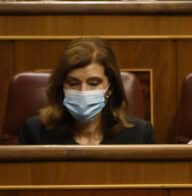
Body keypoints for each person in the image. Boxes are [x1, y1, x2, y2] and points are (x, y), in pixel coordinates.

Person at [19, 38, 155, 145]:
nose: (83, 91)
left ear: (110, 88)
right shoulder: (34, 132)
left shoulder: (140, 135)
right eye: (73, 83)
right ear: (62, 86)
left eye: (93, 83)